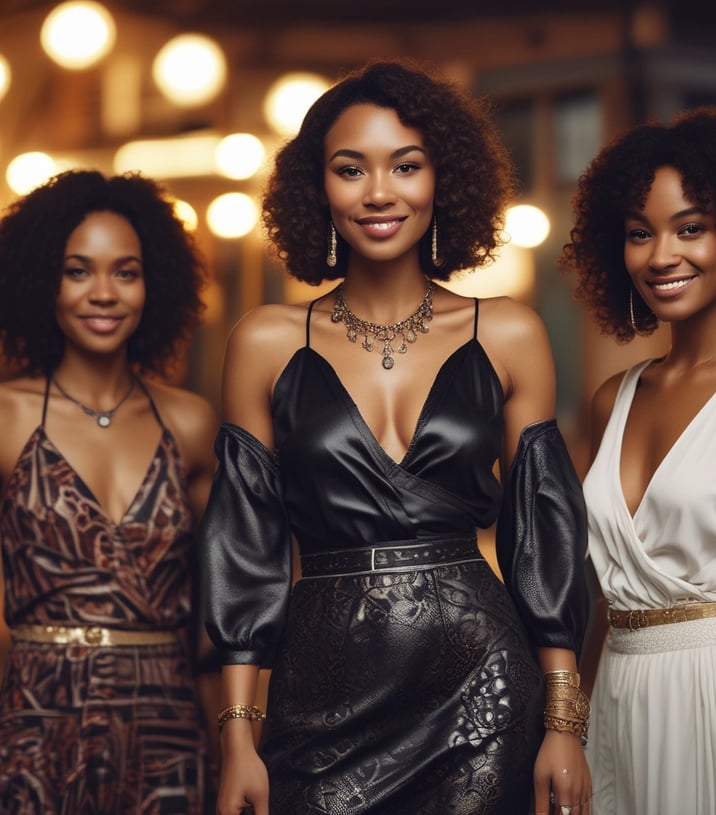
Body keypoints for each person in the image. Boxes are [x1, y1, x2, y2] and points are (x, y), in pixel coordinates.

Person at [200, 59, 592, 815]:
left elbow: (544, 536)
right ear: (318, 188)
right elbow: (244, 546)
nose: (379, 192)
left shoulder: (509, 331)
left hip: (483, 691)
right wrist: (239, 738)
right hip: (318, 693)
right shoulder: (265, 341)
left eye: (405, 166)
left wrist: (563, 721)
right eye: (352, 169)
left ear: (444, 179)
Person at [560, 107, 716, 815]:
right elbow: (603, 601)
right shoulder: (611, 398)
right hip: (618, 694)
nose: (660, 255)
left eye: (690, 227)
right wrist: (573, 724)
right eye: (639, 233)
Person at [0, 170, 220, 814]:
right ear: (43, 280)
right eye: (78, 271)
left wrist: (237, 739)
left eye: (125, 272)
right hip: (33, 728)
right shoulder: (8, 418)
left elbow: (220, 613)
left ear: (155, 286)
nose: (104, 293)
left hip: (170, 730)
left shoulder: (192, 423)